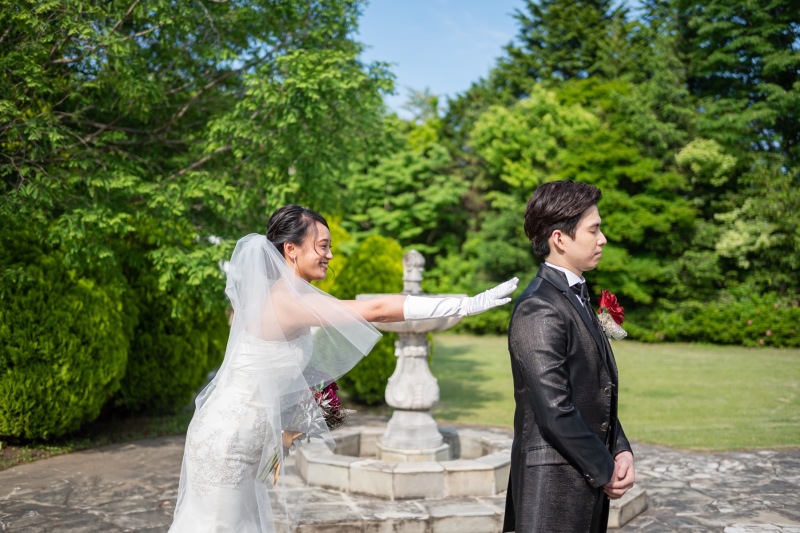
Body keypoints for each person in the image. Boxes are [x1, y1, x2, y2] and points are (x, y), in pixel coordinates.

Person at [169, 204, 518, 533]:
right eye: (322, 246)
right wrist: (467, 303)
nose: (330, 255)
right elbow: (377, 310)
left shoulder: (289, 296)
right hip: (229, 439)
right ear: (291, 250)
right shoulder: (285, 301)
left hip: (246, 435)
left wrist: (292, 424)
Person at [503, 181, 635, 533]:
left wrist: (620, 448)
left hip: (584, 475)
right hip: (553, 489)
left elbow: (596, 389)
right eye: (594, 229)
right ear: (560, 239)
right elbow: (554, 409)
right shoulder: (539, 307)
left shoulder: (576, 297)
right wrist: (605, 468)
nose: (602, 238)